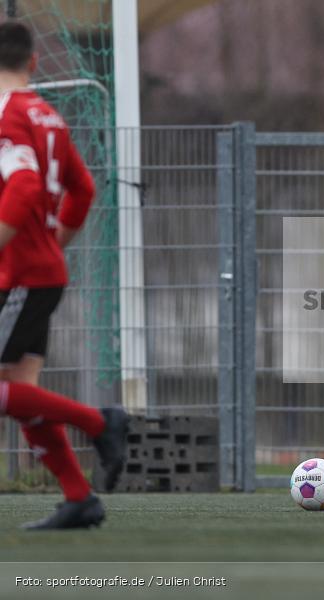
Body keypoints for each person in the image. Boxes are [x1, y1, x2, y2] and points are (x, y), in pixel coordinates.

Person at [0, 21, 129, 529]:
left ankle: (101, 421)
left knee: (11, 389)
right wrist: (54, 243)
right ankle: (79, 497)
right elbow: (83, 190)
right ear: (34, 62)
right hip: (40, 268)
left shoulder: (8, 114)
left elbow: (26, 186)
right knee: (21, 389)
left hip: (20, 273)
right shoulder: (47, 115)